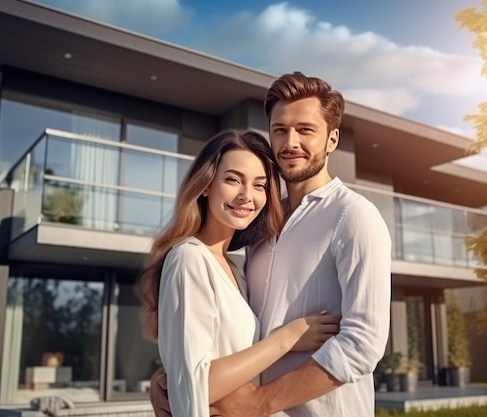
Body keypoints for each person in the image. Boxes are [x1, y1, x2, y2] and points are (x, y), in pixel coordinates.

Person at [152, 72, 392, 417]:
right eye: (280, 129)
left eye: (305, 130)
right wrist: (170, 378)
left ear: (332, 139)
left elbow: (363, 344)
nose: (290, 141)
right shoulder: (260, 225)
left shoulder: (353, 216)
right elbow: (224, 331)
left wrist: (259, 403)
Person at [136, 129, 340, 417]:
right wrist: (288, 337)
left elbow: (205, 362)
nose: (247, 196)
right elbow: (196, 384)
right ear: (206, 185)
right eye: (233, 180)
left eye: (259, 185)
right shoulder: (189, 258)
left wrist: (167, 375)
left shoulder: (236, 268)